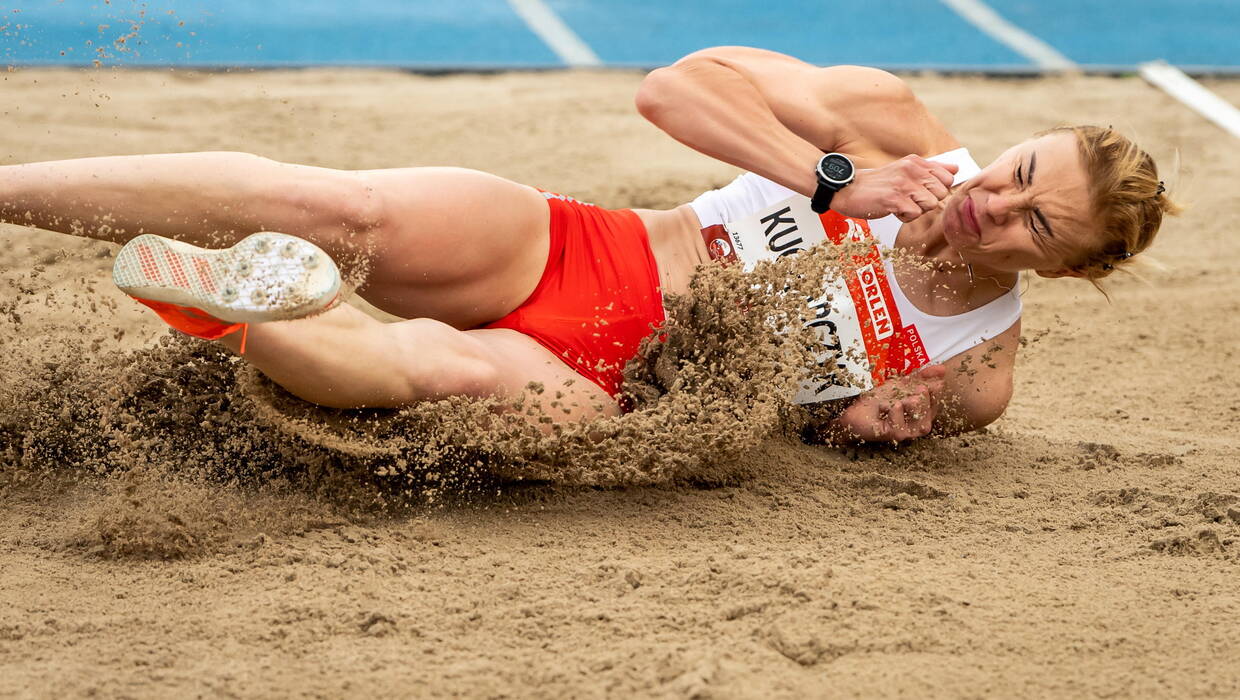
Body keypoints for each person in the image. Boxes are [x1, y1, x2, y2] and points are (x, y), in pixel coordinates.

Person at [0, 46, 1176, 443]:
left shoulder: (977, 375)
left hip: (615, 385)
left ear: (1067, 271)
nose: (993, 202)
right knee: (345, 206)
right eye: (1019, 170)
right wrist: (833, 177)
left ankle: (236, 299)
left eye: (1035, 223)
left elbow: (817, 437)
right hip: (580, 252)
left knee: (440, 368)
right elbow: (673, 89)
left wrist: (857, 425)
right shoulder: (892, 126)